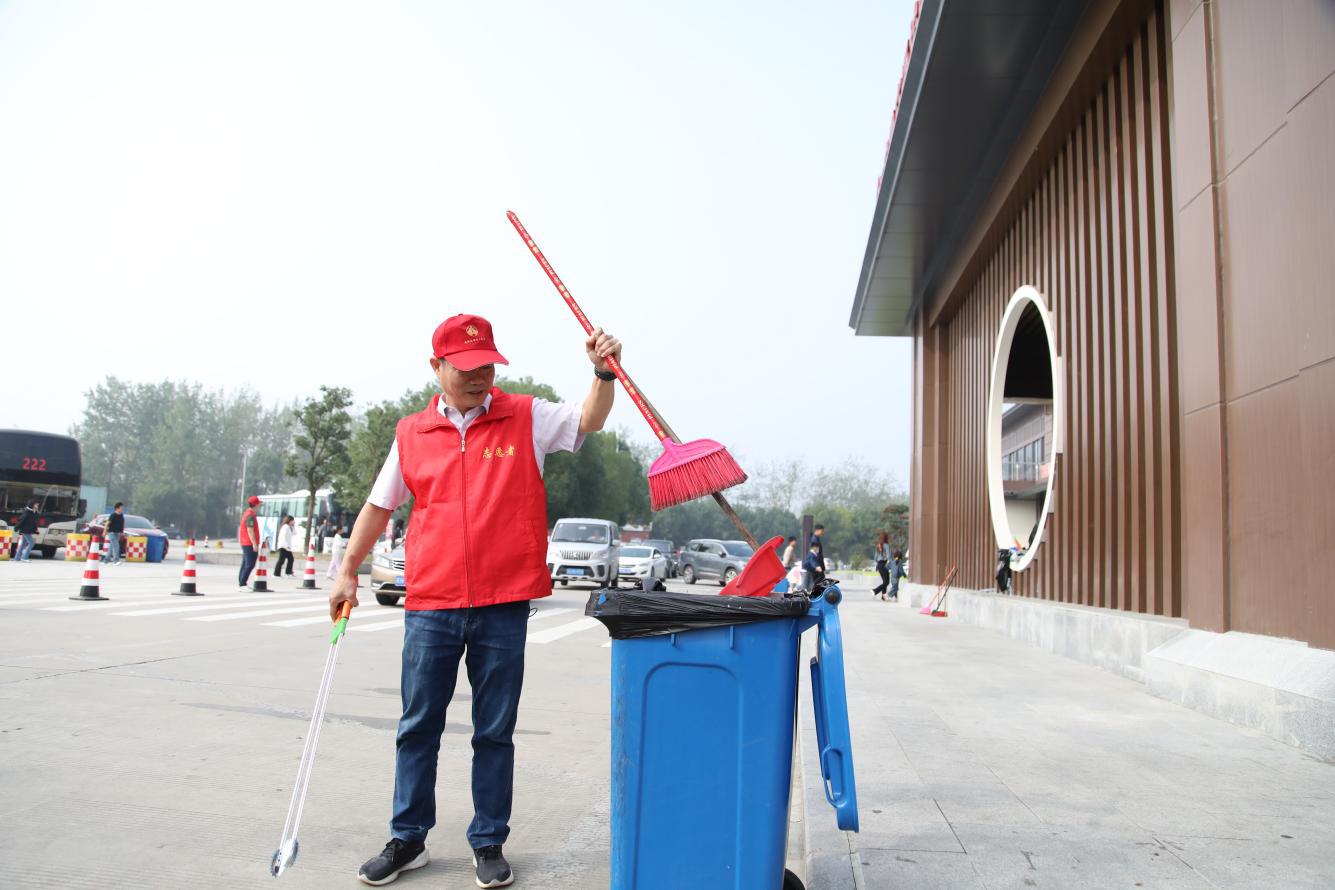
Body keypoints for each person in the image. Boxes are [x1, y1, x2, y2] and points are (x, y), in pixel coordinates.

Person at [329, 312, 622, 889]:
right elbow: (378, 506)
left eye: (486, 364)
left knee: (494, 729)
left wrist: (601, 372)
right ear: (436, 367)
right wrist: (346, 572)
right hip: (432, 602)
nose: (477, 376)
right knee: (418, 724)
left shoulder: (527, 416)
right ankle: (407, 838)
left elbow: (588, 418)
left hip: (503, 602)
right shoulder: (411, 434)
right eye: (464, 367)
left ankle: (488, 840)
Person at [238, 495, 261, 590]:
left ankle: (241, 583)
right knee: (250, 564)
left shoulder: (247, 513)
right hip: (248, 543)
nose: (259, 507)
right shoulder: (250, 515)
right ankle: (243, 584)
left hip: (245, 542)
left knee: (245, 563)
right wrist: (254, 544)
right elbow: (250, 530)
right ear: (256, 505)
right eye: (259, 505)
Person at [871, 530, 891, 600]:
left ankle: (883, 597)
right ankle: (875, 590)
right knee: (887, 582)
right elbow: (889, 557)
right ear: (886, 538)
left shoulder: (878, 545)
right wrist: (889, 565)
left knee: (885, 581)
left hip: (879, 565)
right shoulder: (886, 545)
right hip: (884, 564)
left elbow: (875, 558)